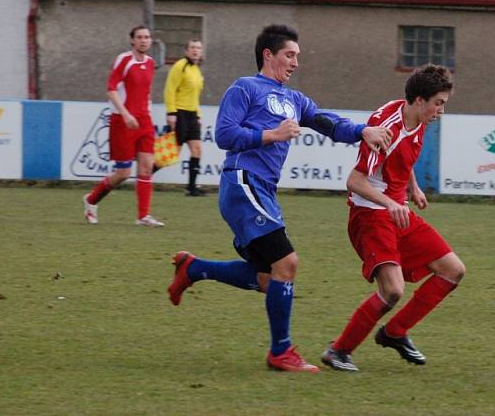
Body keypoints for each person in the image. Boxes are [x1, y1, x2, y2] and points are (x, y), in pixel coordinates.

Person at [166, 24, 392, 373]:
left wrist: (362, 130)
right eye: (290, 54)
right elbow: (224, 134)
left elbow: (327, 122)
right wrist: (272, 134)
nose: (295, 62)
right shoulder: (245, 87)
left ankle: (194, 268)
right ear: (268, 54)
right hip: (243, 183)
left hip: (263, 190)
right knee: (287, 263)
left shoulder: (294, 99)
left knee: (269, 279)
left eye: (298, 56)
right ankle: (281, 352)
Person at [321, 65, 466, 372]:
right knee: (393, 290)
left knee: (453, 270)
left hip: (396, 210)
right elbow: (355, 180)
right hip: (370, 215)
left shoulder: (419, 118)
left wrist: (413, 187)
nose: (441, 110)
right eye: (438, 103)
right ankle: (339, 350)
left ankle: (395, 332)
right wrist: (390, 202)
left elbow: (402, 156)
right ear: (417, 100)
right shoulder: (387, 128)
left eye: (444, 104)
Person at [82, 25, 165, 227]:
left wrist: (147, 114)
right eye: (139, 37)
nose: (144, 40)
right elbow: (111, 90)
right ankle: (91, 200)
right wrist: (126, 114)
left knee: (146, 166)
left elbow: (145, 93)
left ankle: (143, 216)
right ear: (132, 41)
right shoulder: (124, 60)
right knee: (123, 174)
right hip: (123, 121)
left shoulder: (151, 62)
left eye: (147, 37)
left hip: (144, 120)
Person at [163, 39, 206, 196]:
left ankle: (191, 187)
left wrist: (198, 115)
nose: (195, 50)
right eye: (192, 48)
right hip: (179, 113)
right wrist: (171, 113)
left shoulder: (196, 69)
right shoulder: (180, 66)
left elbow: (195, 96)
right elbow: (170, 89)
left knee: (197, 149)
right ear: (186, 51)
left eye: (198, 48)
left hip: (192, 115)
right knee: (172, 153)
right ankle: (146, 174)